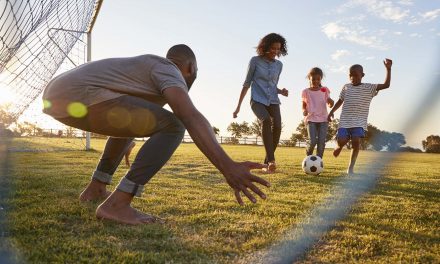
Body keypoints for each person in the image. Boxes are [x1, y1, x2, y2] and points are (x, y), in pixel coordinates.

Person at [42, 44, 270, 225]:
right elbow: (189, 115)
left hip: (58, 97)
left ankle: (95, 189)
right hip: (79, 93)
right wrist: (228, 167)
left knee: (134, 123)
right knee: (174, 126)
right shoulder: (167, 68)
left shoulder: (145, 75)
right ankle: (117, 205)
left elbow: (126, 121)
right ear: (190, 68)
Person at [232, 33, 289, 173]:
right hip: (257, 100)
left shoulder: (279, 65)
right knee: (266, 120)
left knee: (277, 126)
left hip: (273, 100)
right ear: (265, 47)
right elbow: (247, 83)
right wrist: (238, 106)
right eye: (273, 48)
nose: (276, 52)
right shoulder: (255, 61)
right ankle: (271, 160)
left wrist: (281, 91)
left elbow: (272, 85)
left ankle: (266, 163)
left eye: (278, 49)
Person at [328, 59, 392, 175]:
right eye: (350, 75)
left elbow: (386, 85)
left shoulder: (369, 88)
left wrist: (388, 69)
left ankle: (351, 167)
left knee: (356, 141)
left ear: (362, 75)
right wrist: (331, 111)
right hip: (345, 120)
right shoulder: (346, 87)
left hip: (359, 121)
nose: (353, 77)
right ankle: (339, 146)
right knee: (342, 140)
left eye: (355, 75)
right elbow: (340, 101)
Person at [301, 67, 334, 158]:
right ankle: (308, 156)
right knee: (312, 141)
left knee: (321, 142)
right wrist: (304, 110)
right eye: (313, 79)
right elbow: (304, 104)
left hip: (323, 119)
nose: (316, 81)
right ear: (309, 78)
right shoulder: (306, 92)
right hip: (311, 118)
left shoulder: (324, 90)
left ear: (321, 79)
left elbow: (329, 102)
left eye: (318, 79)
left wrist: (331, 103)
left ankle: (318, 161)